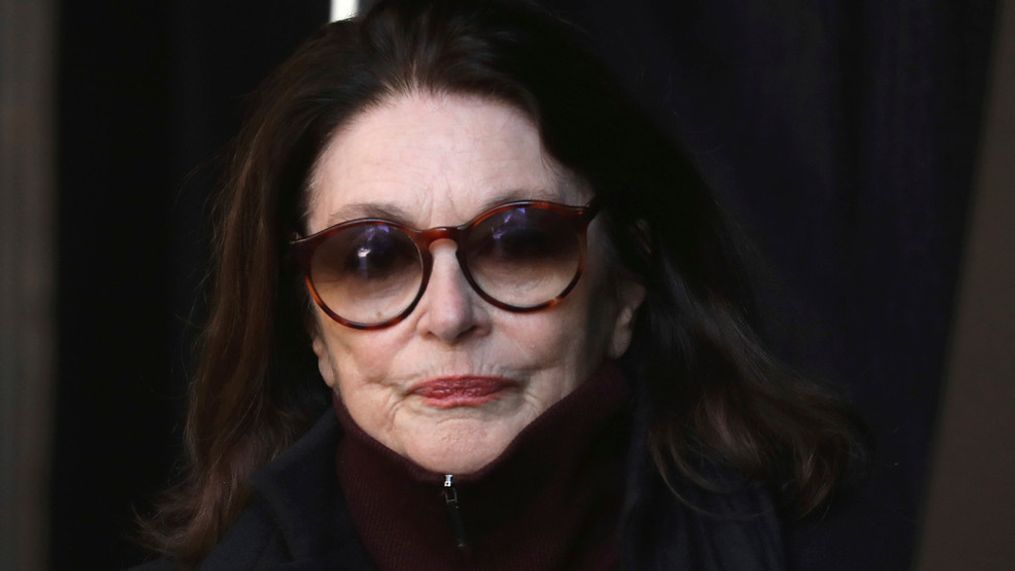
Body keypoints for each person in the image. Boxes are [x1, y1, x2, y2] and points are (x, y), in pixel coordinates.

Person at [136, 0, 866, 569]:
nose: (449, 315)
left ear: (625, 285)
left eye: (519, 243)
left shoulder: (852, 548)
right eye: (371, 259)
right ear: (310, 328)